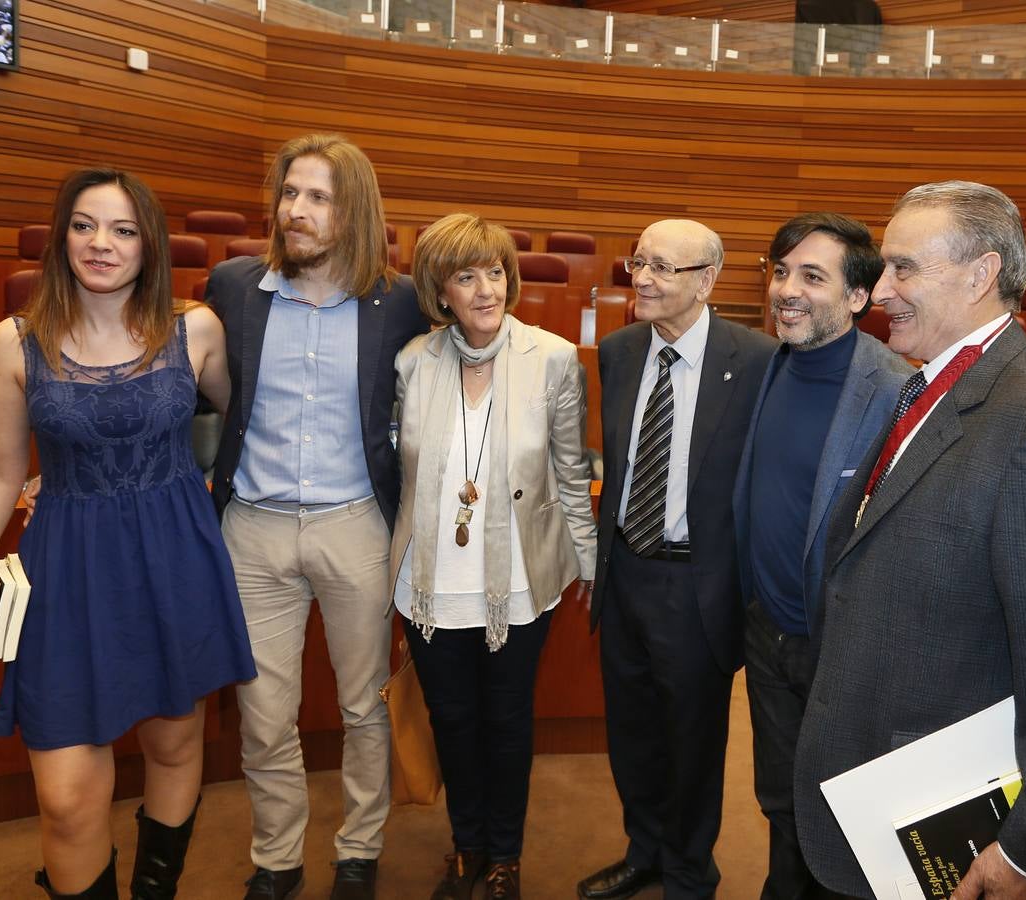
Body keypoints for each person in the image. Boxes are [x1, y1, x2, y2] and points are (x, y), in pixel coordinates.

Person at [794, 181, 1026, 898]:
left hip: (951, 820)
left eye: (903, 268)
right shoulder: (926, 386)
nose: (880, 288)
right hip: (883, 793)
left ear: (981, 274)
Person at [0, 167, 256, 899]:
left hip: (176, 555)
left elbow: (248, 422)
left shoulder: (195, 330)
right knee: (66, 797)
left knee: (175, 749)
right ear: (61, 236)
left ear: (149, 245)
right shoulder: (12, 343)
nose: (101, 244)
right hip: (68, 567)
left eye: (123, 229)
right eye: (84, 225)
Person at [205, 133, 426, 900]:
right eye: (288, 194)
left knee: (365, 705)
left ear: (353, 210)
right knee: (263, 716)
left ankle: (359, 850)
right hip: (252, 530)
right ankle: (277, 860)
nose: (294, 211)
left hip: (355, 525)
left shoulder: (398, 303)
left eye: (317, 197)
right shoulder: (233, 287)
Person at [390, 212, 597, 900]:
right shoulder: (413, 363)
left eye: (496, 271)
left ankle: (505, 855)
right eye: (466, 275)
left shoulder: (554, 357)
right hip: (432, 581)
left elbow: (571, 473)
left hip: (518, 583)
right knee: (452, 721)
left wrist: (589, 563)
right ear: (439, 289)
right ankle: (466, 846)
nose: (487, 289)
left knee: (507, 724)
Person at [579, 219, 777, 900]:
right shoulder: (618, 349)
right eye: (640, 262)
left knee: (693, 742)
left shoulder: (755, 360)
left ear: (708, 281)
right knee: (632, 733)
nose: (643, 279)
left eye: (664, 267)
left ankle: (691, 872)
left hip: (698, 584)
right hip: (627, 570)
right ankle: (646, 852)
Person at [733, 213, 912, 900]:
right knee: (780, 798)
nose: (788, 290)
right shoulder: (765, 366)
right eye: (781, 272)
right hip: (766, 632)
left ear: (860, 297)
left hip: (840, 646)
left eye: (812, 276)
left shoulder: (896, 391)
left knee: (845, 811)